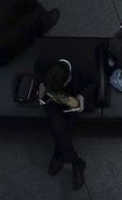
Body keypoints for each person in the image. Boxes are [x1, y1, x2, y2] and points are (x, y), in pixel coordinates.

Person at [35, 56, 96, 191]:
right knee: (57, 128)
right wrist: (41, 85)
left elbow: (94, 82)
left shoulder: (82, 68)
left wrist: (81, 97)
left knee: (65, 129)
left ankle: (59, 153)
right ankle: (76, 162)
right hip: (52, 98)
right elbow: (38, 72)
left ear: (68, 78)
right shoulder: (44, 62)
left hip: (73, 97)